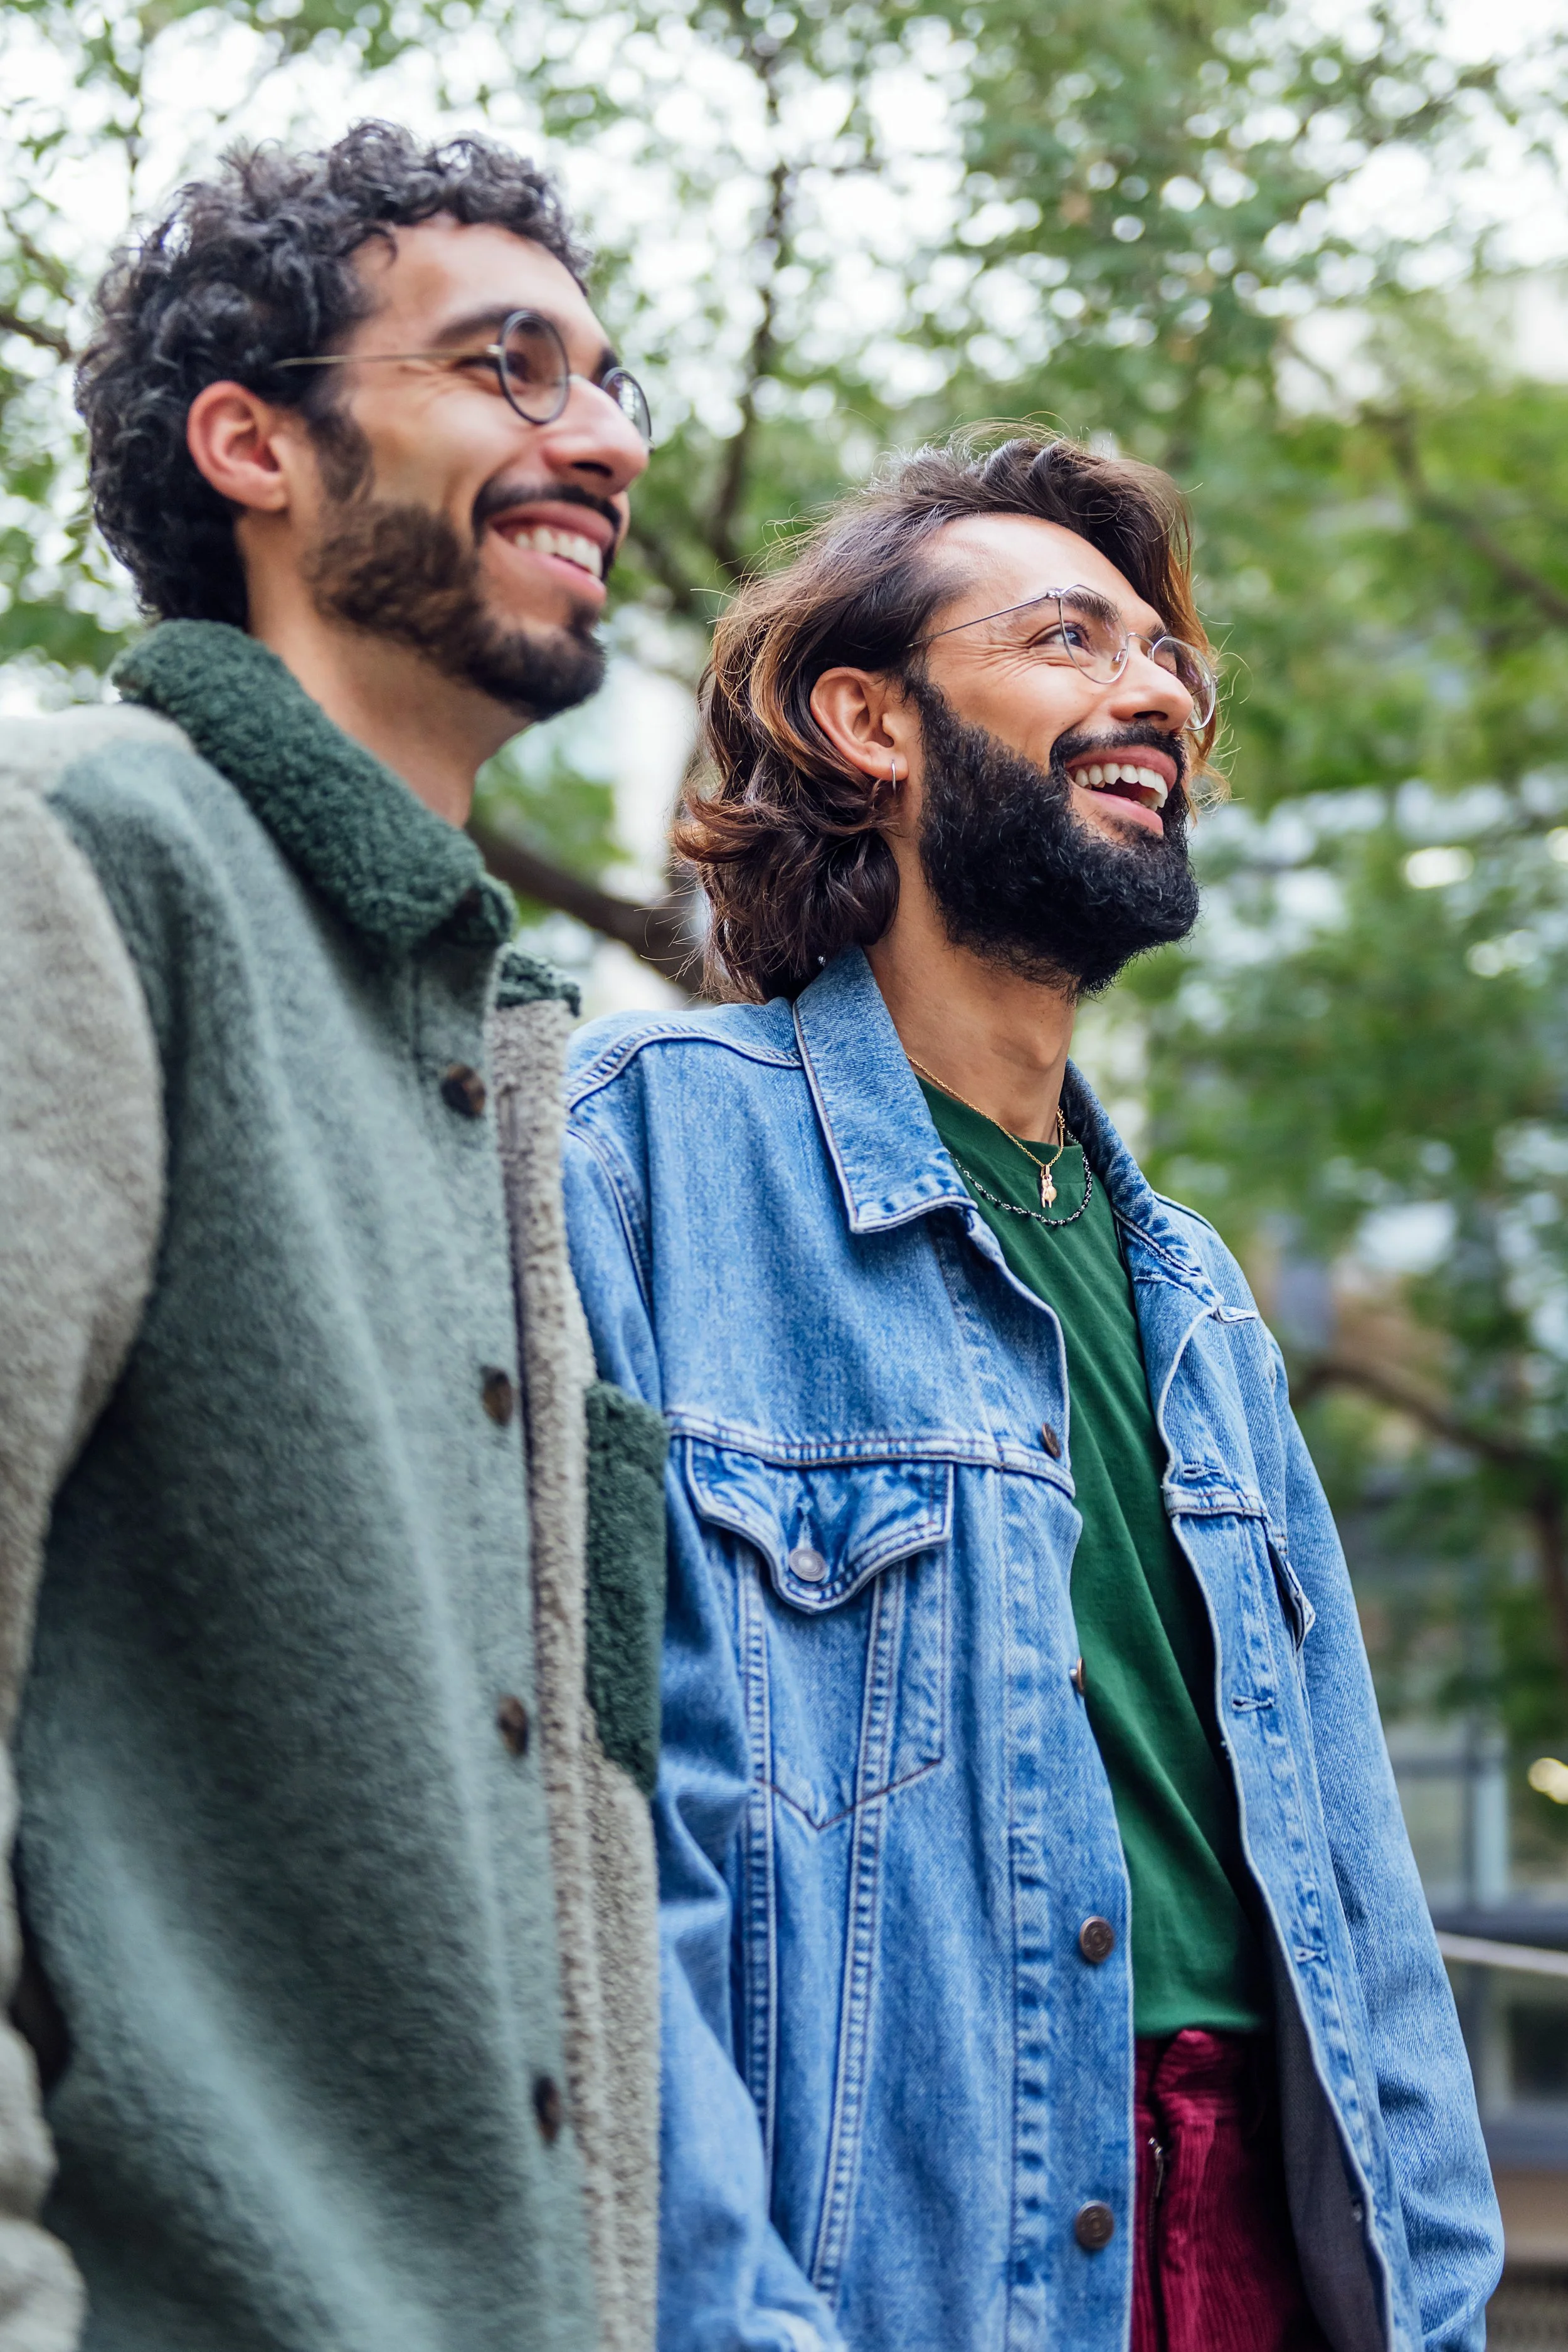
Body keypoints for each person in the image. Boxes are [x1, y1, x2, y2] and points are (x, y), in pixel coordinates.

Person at [561, 433, 1504, 2352]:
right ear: (867, 721)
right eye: (1067, 638)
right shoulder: (632, 1164)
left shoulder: (1200, 1303)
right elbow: (581, 1833)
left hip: (1256, 2245)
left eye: (1164, 655)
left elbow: (1354, 1893)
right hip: (906, 2253)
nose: (1152, 688)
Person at [0, 122, 667, 2351]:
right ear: (252, 442)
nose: (599, 435)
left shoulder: (516, 1053)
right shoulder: (87, 858)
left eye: (608, 381)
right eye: (510, 366)